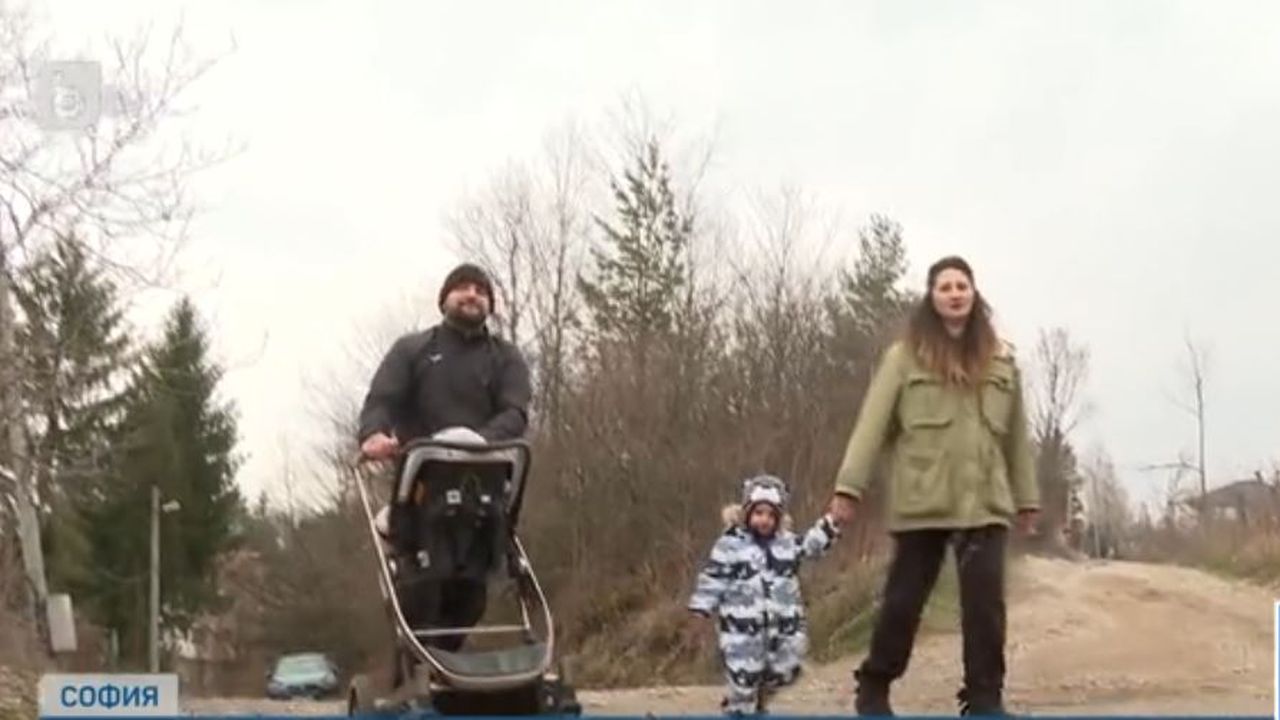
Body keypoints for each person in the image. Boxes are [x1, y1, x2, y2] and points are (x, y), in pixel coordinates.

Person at [825, 255, 1039, 717]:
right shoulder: (904, 357)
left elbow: (1016, 437)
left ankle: (984, 698)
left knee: (985, 607)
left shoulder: (1001, 360)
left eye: (962, 285)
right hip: (923, 497)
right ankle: (874, 686)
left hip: (984, 501)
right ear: (932, 297)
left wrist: (1026, 499)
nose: (955, 294)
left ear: (974, 294)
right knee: (904, 601)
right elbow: (872, 425)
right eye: (945, 287)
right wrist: (849, 488)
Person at [356, 262, 531, 663]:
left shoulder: (506, 358)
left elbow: (515, 411)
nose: (472, 295)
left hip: (485, 481)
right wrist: (373, 433)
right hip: (421, 485)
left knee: (471, 592)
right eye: (463, 288)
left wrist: (477, 441)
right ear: (444, 299)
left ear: (489, 304)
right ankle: (416, 660)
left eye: (481, 291)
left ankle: (448, 660)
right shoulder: (412, 350)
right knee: (421, 584)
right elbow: (382, 400)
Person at [689, 475, 841, 716]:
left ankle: (761, 694)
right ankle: (740, 709)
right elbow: (713, 578)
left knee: (789, 668)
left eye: (771, 515)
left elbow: (810, 546)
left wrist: (831, 522)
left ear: (779, 519)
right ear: (747, 513)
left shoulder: (787, 544)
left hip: (784, 628)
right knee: (744, 678)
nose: (764, 520)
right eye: (759, 513)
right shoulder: (730, 545)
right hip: (742, 630)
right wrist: (701, 609)